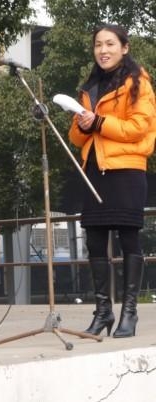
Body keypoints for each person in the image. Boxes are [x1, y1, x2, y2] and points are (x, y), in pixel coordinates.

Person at [69, 24, 156, 338]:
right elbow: (77, 138)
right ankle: (103, 311)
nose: (102, 50)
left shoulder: (139, 83)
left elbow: (139, 126)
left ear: (124, 47)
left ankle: (129, 313)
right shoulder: (90, 86)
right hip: (94, 168)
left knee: (129, 239)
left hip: (127, 169)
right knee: (94, 241)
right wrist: (83, 122)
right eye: (97, 45)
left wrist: (100, 121)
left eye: (109, 44)